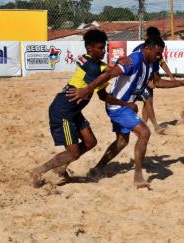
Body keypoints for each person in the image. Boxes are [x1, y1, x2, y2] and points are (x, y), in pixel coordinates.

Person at [66, 36, 184, 188]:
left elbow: (156, 83)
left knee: (122, 141)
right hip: (118, 105)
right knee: (144, 133)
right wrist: (87, 89)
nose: (160, 56)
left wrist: (181, 83)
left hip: (125, 106)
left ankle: (97, 168)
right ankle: (138, 176)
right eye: (158, 52)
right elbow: (109, 74)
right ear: (147, 49)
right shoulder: (134, 60)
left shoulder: (151, 63)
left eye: (161, 53)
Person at [29, 29, 136, 188]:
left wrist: (126, 104)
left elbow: (103, 95)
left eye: (105, 47)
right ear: (89, 49)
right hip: (62, 111)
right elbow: (106, 73)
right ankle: (38, 170)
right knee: (73, 152)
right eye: (100, 48)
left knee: (91, 142)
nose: (103, 51)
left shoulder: (100, 66)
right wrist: (118, 63)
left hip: (74, 112)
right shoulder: (87, 62)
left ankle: (61, 167)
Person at [132, 26, 175, 134]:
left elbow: (161, 62)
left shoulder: (154, 51)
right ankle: (156, 126)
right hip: (138, 80)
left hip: (147, 78)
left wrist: (170, 75)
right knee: (148, 101)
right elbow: (137, 68)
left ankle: (144, 124)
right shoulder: (145, 50)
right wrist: (148, 81)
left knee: (148, 103)